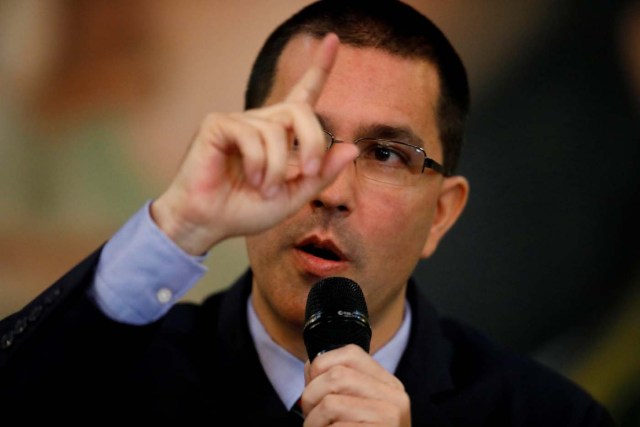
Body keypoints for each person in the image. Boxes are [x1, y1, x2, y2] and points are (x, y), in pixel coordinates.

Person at [0, 1, 616, 425]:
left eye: (385, 154)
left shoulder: (547, 416)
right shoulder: (120, 378)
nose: (331, 190)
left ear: (441, 216)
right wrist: (177, 225)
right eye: (302, 140)